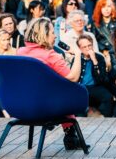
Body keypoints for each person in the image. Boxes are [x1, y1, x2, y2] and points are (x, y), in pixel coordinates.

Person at [17, 17, 87, 150]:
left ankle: (70, 135)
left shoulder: (20, 52)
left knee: (58, 91)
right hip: (47, 107)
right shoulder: (50, 55)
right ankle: (70, 134)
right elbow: (73, 78)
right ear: (44, 35)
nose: (55, 36)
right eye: (52, 33)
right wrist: (78, 54)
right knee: (70, 91)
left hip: (23, 104)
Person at [75, 35, 113, 117]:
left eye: (89, 45)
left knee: (108, 97)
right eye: (84, 47)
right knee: (77, 99)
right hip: (81, 87)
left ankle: (105, 119)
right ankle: (79, 121)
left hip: (95, 86)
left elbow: (102, 79)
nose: (88, 48)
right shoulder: (77, 58)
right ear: (80, 48)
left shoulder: (99, 57)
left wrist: (94, 61)